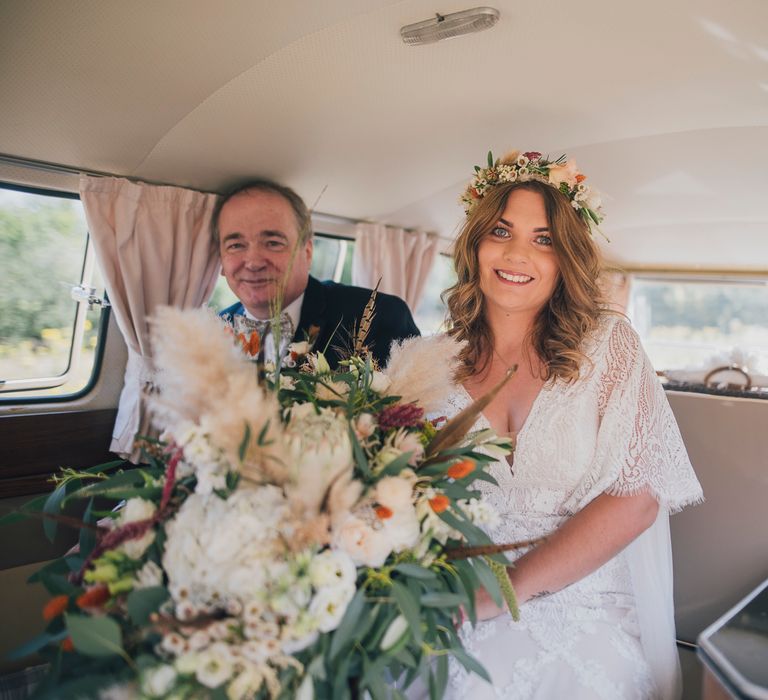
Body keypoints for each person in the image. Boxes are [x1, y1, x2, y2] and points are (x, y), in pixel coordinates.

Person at [431, 151, 702, 699]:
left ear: (566, 257)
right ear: (475, 243)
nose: (515, 254)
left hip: (582, 594)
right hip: (453, 582)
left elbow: (639, 494)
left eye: (543, 238)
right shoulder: (428, 361)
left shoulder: (609, 345)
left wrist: (507, 588)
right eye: (501, 230)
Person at [213, 178, 419, 368]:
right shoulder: (211, 333)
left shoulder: (381, 316)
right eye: (235, 245)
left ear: (308, 252)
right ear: (221, 261)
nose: (253, 262)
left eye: (273, 243)